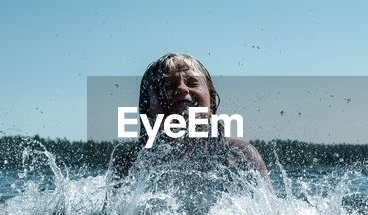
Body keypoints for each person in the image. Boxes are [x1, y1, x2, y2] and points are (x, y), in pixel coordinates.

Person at [109, 52, 274, 192]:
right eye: (167, 85)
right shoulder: (130, 165)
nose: (182, 88)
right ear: (147, 108)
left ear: (211, 104)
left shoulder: (240, 155)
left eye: (192, 83)